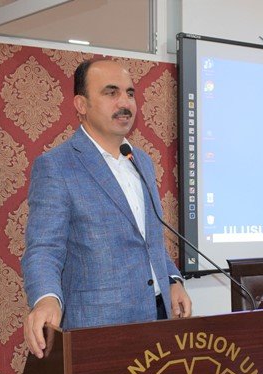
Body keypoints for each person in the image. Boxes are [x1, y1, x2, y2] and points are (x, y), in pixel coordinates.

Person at [22, 58, 191, 358]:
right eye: (111, 93)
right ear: (81, 104)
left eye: (130, 93)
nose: (124, 103)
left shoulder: (141, 161)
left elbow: (149, 239)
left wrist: (173, 280)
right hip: (98, 327)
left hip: (158, 318)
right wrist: (46, 298)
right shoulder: (57, 166)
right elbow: (44, 248)